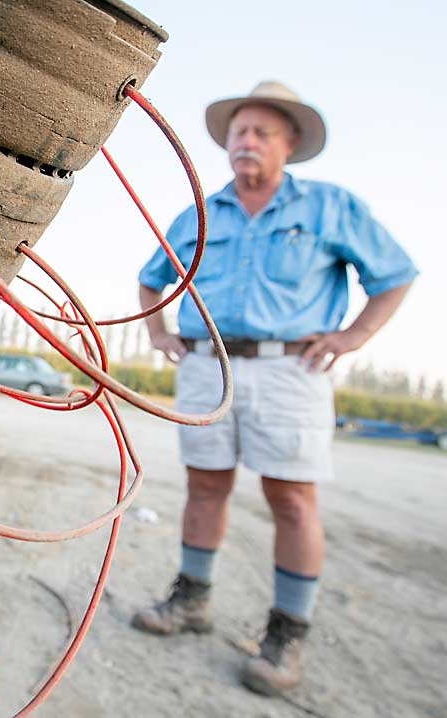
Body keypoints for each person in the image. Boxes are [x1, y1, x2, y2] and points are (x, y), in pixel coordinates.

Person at [131, 81, 417, 696]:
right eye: (239, 132)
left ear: (290, 145)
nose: (247, 141)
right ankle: (192, 600)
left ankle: (286, 633)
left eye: (262, 132)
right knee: (205, 486)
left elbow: (394, 275)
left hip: (292, 370)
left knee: (291, 497)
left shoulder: (328, 207)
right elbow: (150, 278)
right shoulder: (200, 213)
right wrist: (158, 334)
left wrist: (354, 336)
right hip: (209, 364)